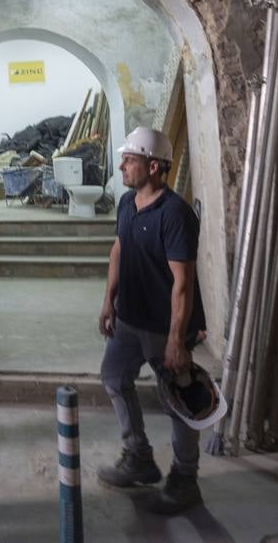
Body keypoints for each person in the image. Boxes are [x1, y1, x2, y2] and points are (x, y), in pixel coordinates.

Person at [96, 126, 207, 514]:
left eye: (130, 160)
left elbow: (183, 283)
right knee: (113, 376)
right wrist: (109, 301)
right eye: (124, 159)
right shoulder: (127, 204)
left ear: (154, 166)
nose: (122, 166)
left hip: (165, 326)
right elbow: (118, 251)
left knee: (176, 400)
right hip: (129, 318)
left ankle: (185, 478)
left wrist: (178, 339)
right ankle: (139, 456)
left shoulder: (176, 214)